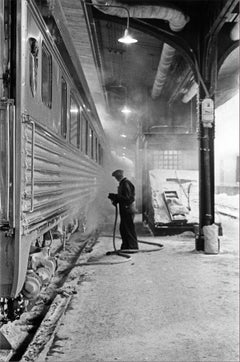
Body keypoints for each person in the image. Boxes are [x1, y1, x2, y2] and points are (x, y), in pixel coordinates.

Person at [108, 169, 139, 250]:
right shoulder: (123, 183)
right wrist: (115, 198)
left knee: (128, 228)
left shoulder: (125, 184)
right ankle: (127, 246)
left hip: (127, 209)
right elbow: (124, 197)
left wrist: (115, 197)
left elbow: (128, 198)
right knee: (124, 228)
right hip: (125, 209)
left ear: (119, 176)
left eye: (116, 177)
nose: (116, 179)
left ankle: (132, 247)